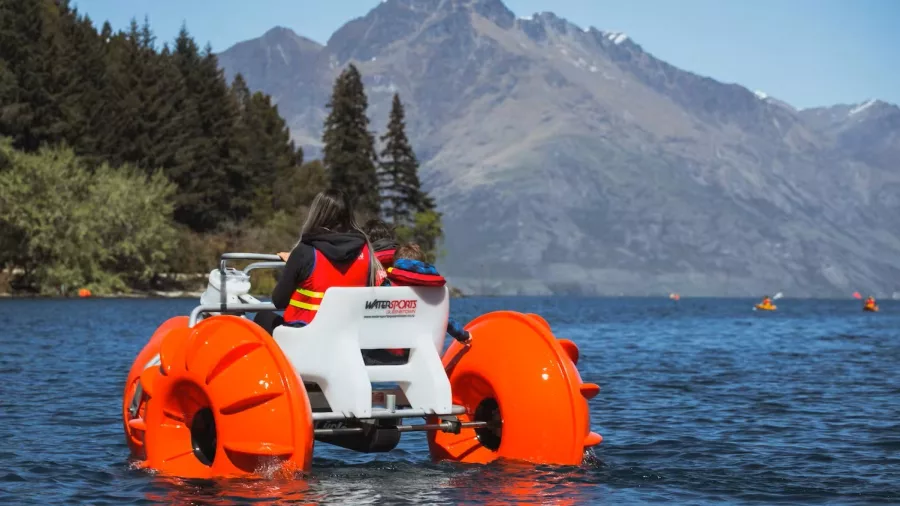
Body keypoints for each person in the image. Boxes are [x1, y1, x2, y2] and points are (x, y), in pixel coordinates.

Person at [254, 189, 380, 334]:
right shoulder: (366, 250)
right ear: (348, 215)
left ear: (317, 214)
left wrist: (292, 264)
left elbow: (279, 301)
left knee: (262, 317)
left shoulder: (305, 251)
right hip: (348, 335)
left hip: (304, 336)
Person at [383, 243, 471, 344]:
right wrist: (462, 335)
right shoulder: (430, 291)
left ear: (395, 264)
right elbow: (444, 320)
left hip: (391, 343)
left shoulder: (388, 285)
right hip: (420, 343)